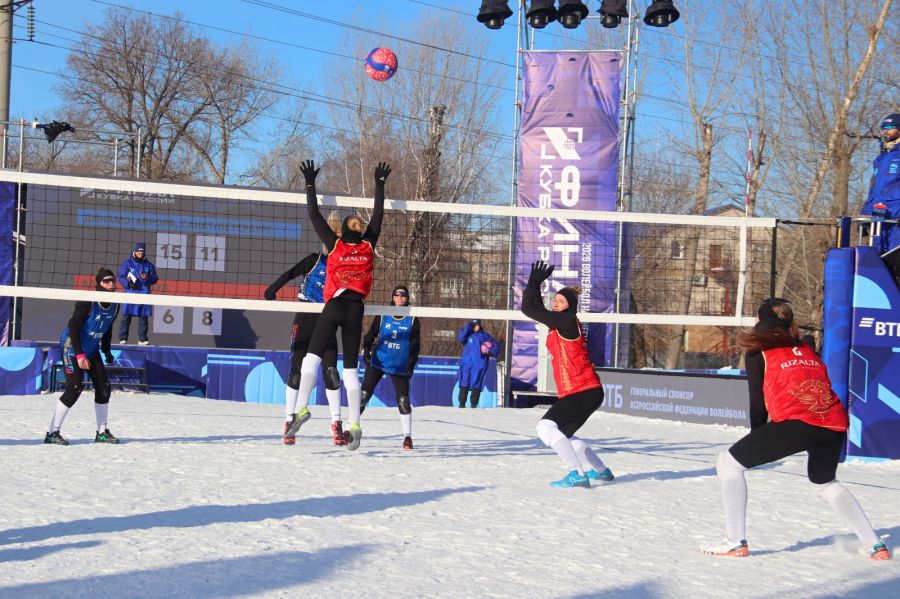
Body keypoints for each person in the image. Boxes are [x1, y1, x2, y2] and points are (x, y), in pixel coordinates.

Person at [701, 298, 890, 560]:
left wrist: (757, 436)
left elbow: (758, 405)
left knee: (728, 463)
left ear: (759, 322)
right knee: (825, 483)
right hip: (834, 423)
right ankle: (875, 545)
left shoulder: (758, 353)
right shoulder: (808, 347)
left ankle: (735, 541)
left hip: (798, 421)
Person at [290, 158, 390, 451]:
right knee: (349, 370)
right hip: (356, 309)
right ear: (359, 230)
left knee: (311, 359)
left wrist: (310, 184)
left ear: (343, 229)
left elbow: (313, 213)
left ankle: (302, 408)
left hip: (334, 306)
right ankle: (355, 424)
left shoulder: (334, 245)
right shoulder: (368, 244)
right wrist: (379, 184)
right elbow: (380, 214)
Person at [521, 261, 613, 488]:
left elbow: (529, 310)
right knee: (565, 435)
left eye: (560, 301)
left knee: (546, 428)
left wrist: (533, 283)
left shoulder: (567, 321)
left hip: (583, 390)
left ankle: (576, 474)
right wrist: (535, 286)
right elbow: (536, 310)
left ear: (570, 306)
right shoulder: (560, 323)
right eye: (555, 299)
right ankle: (601, 471)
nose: (555, 303)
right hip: (584, 390)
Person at [264, 252, 347, 446]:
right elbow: (292, 273)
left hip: (327, 318)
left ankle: (336, 423)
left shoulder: (344, 267)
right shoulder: (316, 260)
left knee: (332, 373)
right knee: (296, 372)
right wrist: (272, 289)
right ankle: (289, 420)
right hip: (305, 317)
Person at [45, 268, 120, 445]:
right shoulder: (88, 300)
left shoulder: (117, 303)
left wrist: (107, 351)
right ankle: (52, 433)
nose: (111, 284)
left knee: (104, 387)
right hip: (72, 347)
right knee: (75, 388)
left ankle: (102, 432)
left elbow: (107, 328)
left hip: (92, 349)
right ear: (99, 284)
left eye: (112, 281)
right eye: (106, 281)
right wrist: (79, 355)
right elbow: (73, 327)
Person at [360, 284, 421, 450]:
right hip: (378, 362)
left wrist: (410, 365)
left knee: (403, 400)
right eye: (397, 295)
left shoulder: (413, 318)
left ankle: (407, 437)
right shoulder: (383, 314)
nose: (400, 298)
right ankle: (351, 428)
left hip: (399, 366)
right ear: (393, 298)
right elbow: (370, 335)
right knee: (363, 396)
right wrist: (366, 350)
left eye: (403, 295)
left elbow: (415, 346)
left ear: (407, 298)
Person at [861, 113, 900, 254]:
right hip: (878, 215)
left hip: (896, 215)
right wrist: (865, 214)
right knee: (877, 257)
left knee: (894, 256)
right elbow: (874, 188)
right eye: (883, 127)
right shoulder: (881, 158)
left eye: (889, 127)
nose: (885, 131)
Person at [118, 242, 158, 345]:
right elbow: (121, 276)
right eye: (138, 252)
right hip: (130, 293)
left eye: (142, 252)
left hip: (144, 293)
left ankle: (142, 339)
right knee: (126, 316)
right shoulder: (128, 263)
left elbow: (155, 278)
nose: (140, 254)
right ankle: (123, 338)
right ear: (134, 252)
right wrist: (128, 284)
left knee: (143, 317)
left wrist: (147, 278)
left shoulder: (149, 265)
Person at [456, 318, 499, 408]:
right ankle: (462, 403)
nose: (476, 327)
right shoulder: (467, 335)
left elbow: (495, 344)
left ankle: (474, 404)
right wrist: (469, 327)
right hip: (467, 362)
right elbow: (460, 337)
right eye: (474, 325)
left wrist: (491, 351)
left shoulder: (485, 336)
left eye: (477, 325)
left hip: (479, 363)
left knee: (477, 382)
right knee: (465, 381)